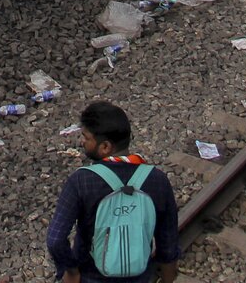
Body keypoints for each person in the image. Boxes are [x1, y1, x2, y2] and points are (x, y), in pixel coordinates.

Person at [46, 100, 180, 283]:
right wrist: (167, 279)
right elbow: (169, 244)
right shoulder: (157, 180)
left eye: (86, 138)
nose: (82, 142)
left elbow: (55, 239)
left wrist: (71, 271)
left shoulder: (81, 181)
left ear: (105, 147)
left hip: (90, 277)